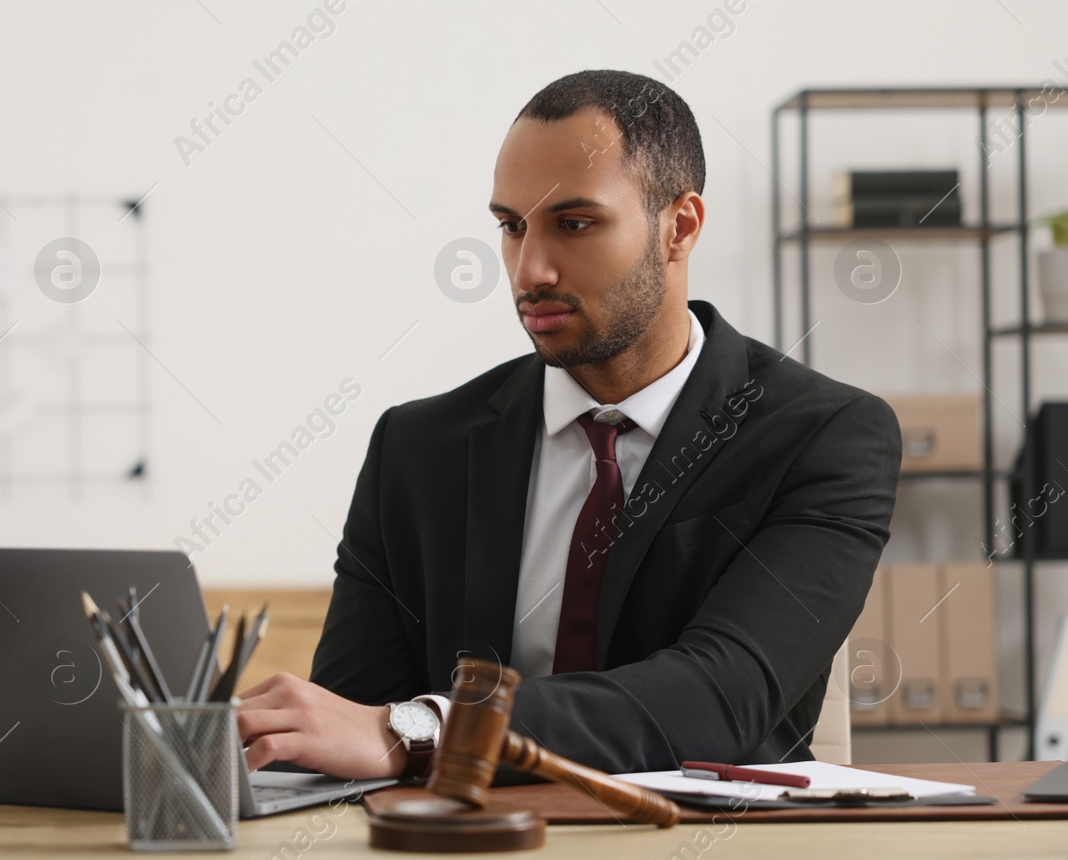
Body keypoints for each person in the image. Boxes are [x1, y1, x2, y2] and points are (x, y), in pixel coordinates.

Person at [234, 69, 900, 779]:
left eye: (574, 224)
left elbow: (720, 697)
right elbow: (353, 717)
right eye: (511, 227)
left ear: (681, 227)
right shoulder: (417, 448)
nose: (530, 269)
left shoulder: (825, 437)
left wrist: (427, 728)